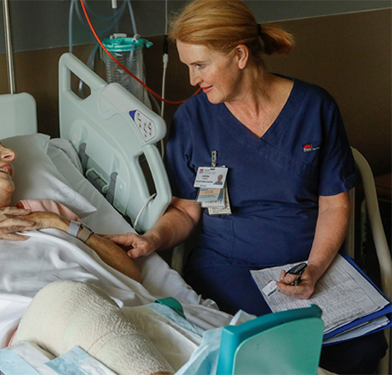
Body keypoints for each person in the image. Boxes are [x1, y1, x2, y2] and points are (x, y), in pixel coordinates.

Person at [105, 0, 387, 374]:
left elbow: (335, 204)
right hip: (227, 264)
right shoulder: (193, 118)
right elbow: (187, 209)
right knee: (267, 349)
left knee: (361, 348)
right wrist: (152, 239)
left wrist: (315, 267)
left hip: (307, 264)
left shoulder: (314, 107)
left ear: (239, 55)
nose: (192, 80)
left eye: (200, 65)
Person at [0, 119, 176, 375]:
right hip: (24, 348)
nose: (10, 154)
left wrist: (59, 223)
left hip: (120, 317)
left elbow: (129, 273)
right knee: (67, 297)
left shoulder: (49, 210)